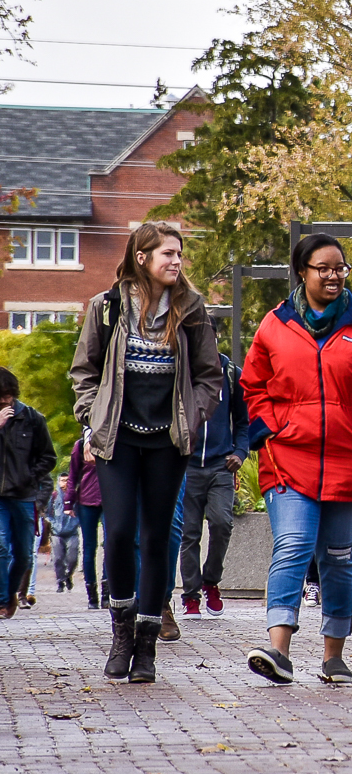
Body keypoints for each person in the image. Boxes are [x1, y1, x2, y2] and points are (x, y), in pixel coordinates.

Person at [70, 222, 223, 683]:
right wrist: (90, 419)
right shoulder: (106, 308)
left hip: (167, 441)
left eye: (179, 254)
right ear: (143, 258)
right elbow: (85, 371)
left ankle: (147, 646)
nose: (176, 261)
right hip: (118, 438)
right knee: (117, 534)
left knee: (157, 538)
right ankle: (121, 634)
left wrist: (192, 417)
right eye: (168, 254)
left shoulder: (192, 309)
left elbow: (209, 376)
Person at [242, 233, 352, 686]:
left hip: (351, 458)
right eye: (322, 267)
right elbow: (253, 384)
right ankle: (279, 651)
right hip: (289, 456)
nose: (332, 275)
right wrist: (267, 429)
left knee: (338, 556)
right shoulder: (275, 324)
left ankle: (334, 656)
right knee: (292, 546)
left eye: (339, 268)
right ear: (302, 272)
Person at [180, 328, 249, 619]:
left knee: (222, 524)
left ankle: (211, 581)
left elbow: (244, 422)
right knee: (189, 533)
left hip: (221, 465)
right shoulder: (181, 372)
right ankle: (190, 594)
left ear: (218, 337)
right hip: (187, 466)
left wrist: (239, 453)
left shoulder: (231, 373)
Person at [0, 365, 57, 619]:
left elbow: (48, 457)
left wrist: (29, 478)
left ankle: (10, 593)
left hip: (23, 495)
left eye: (9, 396)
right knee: (0, 547)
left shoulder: (33, 419)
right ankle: (2, 601)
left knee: (23, 554)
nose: (5, 402)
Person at [67, 428, 108, 609]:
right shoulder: (81, 445)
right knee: (89, 547)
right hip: (86, 500)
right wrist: (68, 501)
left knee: (112, 544)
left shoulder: (114, 442)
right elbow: (73, 474)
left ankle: (108, 592)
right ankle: (92, 595)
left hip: (111, 499)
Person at [46, 473, 80, 592]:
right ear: (58, 482)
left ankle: (68, 576)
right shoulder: (54, 496)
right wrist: (53, 524)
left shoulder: (75, 496)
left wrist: (77, 522)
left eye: (67, 480)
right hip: (57, 533)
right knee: (58, 558)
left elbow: (81, 512)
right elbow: (47, 513)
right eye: (62, 480)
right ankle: (60, 581)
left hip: (72, 531)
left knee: (73, 558)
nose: (64, 483)